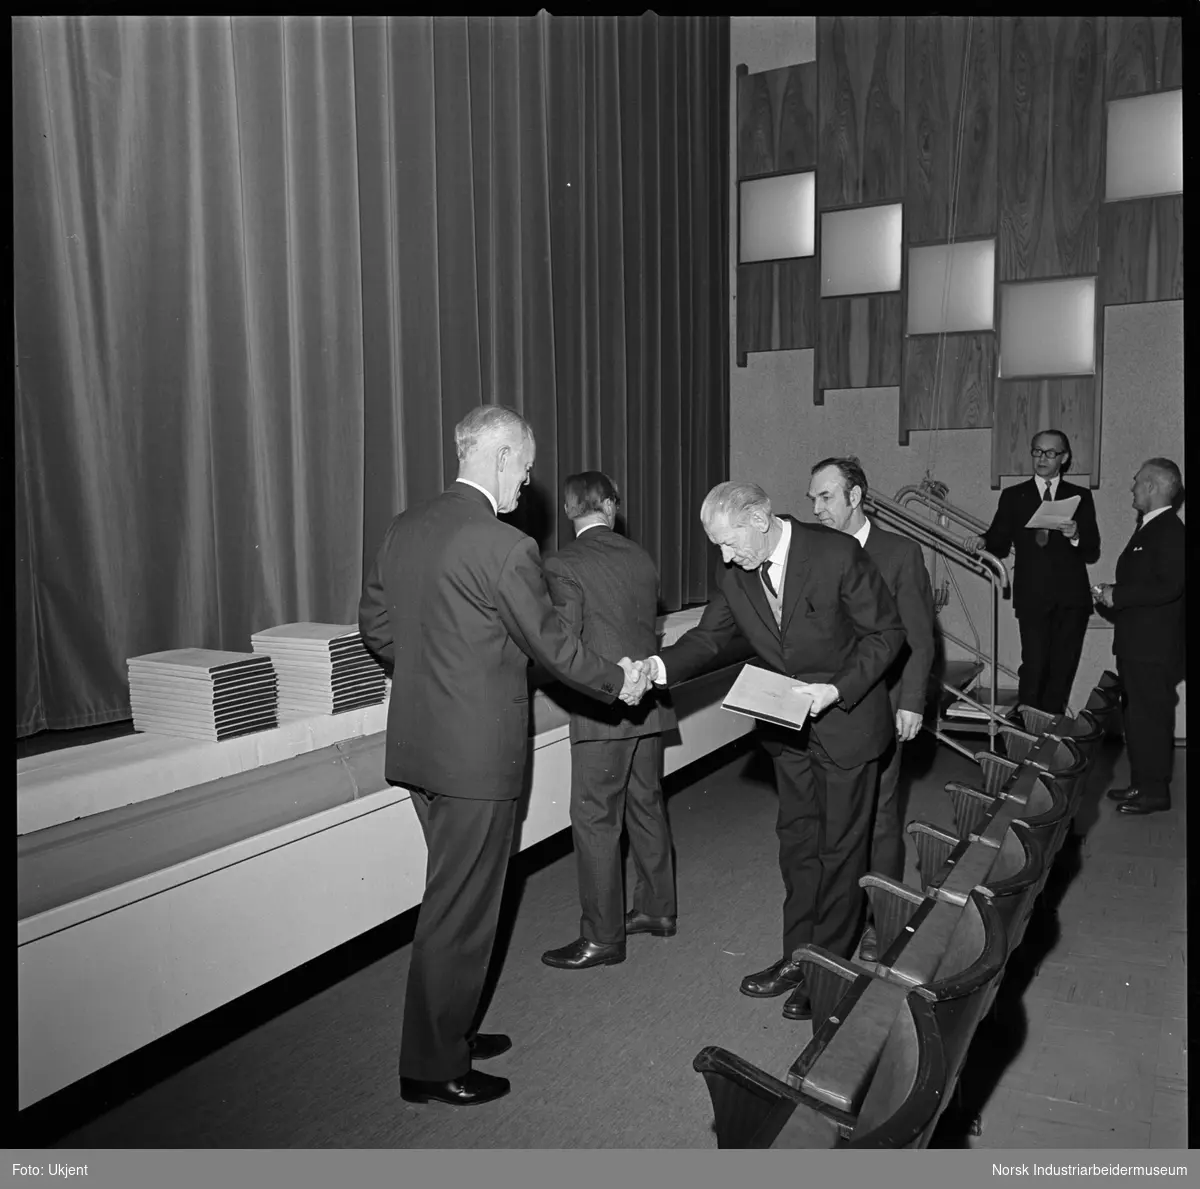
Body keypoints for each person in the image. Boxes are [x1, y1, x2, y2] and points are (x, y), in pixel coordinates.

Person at [359, 405, 649, 1108]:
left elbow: (375, 627)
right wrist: (622, 680)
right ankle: (432, 1064)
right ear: (497, 453)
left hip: (421, 748)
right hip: (475, 759)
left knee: (447, 899)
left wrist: (442, 665)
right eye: (523, 464)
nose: (527, 479)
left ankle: (446, 1030)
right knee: (464, 911)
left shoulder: (405, 527)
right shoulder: (503, 546)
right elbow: (554, 646)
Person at [641, 481, 905, 1022]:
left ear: (759, 519)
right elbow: (712, 638)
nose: (723, 556)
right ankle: (796, 956)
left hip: (845, 721)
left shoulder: (835, 553)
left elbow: (886, 634)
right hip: (788, 730)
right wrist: (658, 668)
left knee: (840, 849)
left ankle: (826, 971)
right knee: (797, 844)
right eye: (715, 545)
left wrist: (835, 689)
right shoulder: (735, 572)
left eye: (729, 541)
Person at [539, 471, 679, 971]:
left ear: (570, 511)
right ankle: (658, 910)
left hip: (605, 711)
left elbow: (564, 644)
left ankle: (602, 937)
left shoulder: (562, 562)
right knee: (647, 806)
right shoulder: (639, 556)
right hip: (651, 704)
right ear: (612, 507)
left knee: (597, 819)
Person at [807, 457, 936, 963]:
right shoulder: (815, 553)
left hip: (882, 706)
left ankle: (884, 925)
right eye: (812, 498)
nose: (816, 509)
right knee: (834, 823)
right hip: (828, 708)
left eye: (826, 498)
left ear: (855, 496)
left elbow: (921, 638)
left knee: (881, 820)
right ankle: (840, 917)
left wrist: (911, 702)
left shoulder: (899, 553)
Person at [967, 430, 1100, 715]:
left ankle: (1052, 730)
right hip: (1032, 595)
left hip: (1071, 598)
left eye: (1050, 453)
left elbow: (1092, 549)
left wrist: (1076, 534)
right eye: (1037, 451)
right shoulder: (1014, 496)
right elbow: (999, 539)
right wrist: (983, 540)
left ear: (1064, 458)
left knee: (1063, 666)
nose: (1042, 458)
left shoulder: (1080, 496)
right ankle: (1027, 730)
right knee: (1035, 663)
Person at [1094, 458, 1185, 817]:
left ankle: (1154, 791)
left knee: (1151, 717)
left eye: (1136, 482)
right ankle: (1141, 781)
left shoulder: (1170, 532)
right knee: (1137, 718)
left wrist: (1119, 595)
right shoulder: (1152, 529)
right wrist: (1113, 592)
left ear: (1151, 486)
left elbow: (1170, 585)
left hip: (1153, 647)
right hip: (1139, 645)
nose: (1132, 488)